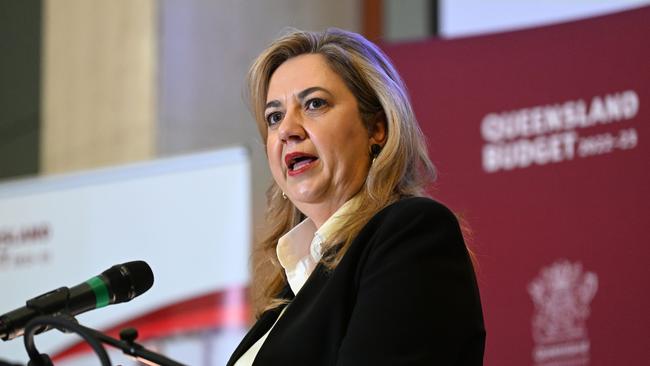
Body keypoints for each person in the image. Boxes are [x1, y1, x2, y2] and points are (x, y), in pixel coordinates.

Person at [227, 28, 485, 366]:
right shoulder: (291, 290)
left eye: (314, 104)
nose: (287, 130)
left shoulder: (412, 233)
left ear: (377, 128)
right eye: (274, 117)